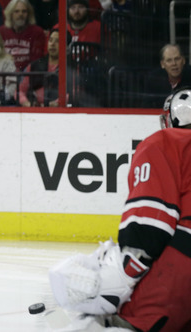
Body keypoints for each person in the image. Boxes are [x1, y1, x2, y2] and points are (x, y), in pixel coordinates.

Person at [49, 87, 191, 331]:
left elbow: (149, 227)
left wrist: (124, 274)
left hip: (181, 271)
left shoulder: (166, 142)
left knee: (116, 323)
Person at [17, 28, 62, 107]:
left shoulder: (70, 67)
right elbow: (20, 90)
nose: (52, 44)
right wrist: (27, 103)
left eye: (57, 41)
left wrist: (56, 104)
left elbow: (74, 93)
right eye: (50, 40)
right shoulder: (34, 65)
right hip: (35, 110)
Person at [0, 0, 46, 72]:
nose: (20, 14)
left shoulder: (37, 32)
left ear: (29, 14)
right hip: (5, 73)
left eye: (24, 11)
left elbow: (36, 60)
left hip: (27, 75)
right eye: (17, 11)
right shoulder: (1, 31)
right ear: (10, 13)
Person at [144, 44, 191, 108]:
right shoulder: (154, 80)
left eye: (177, 59)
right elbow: (147, 106)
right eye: (169, 60)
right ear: (162, 64)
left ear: (183, 60)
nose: (174, 63)